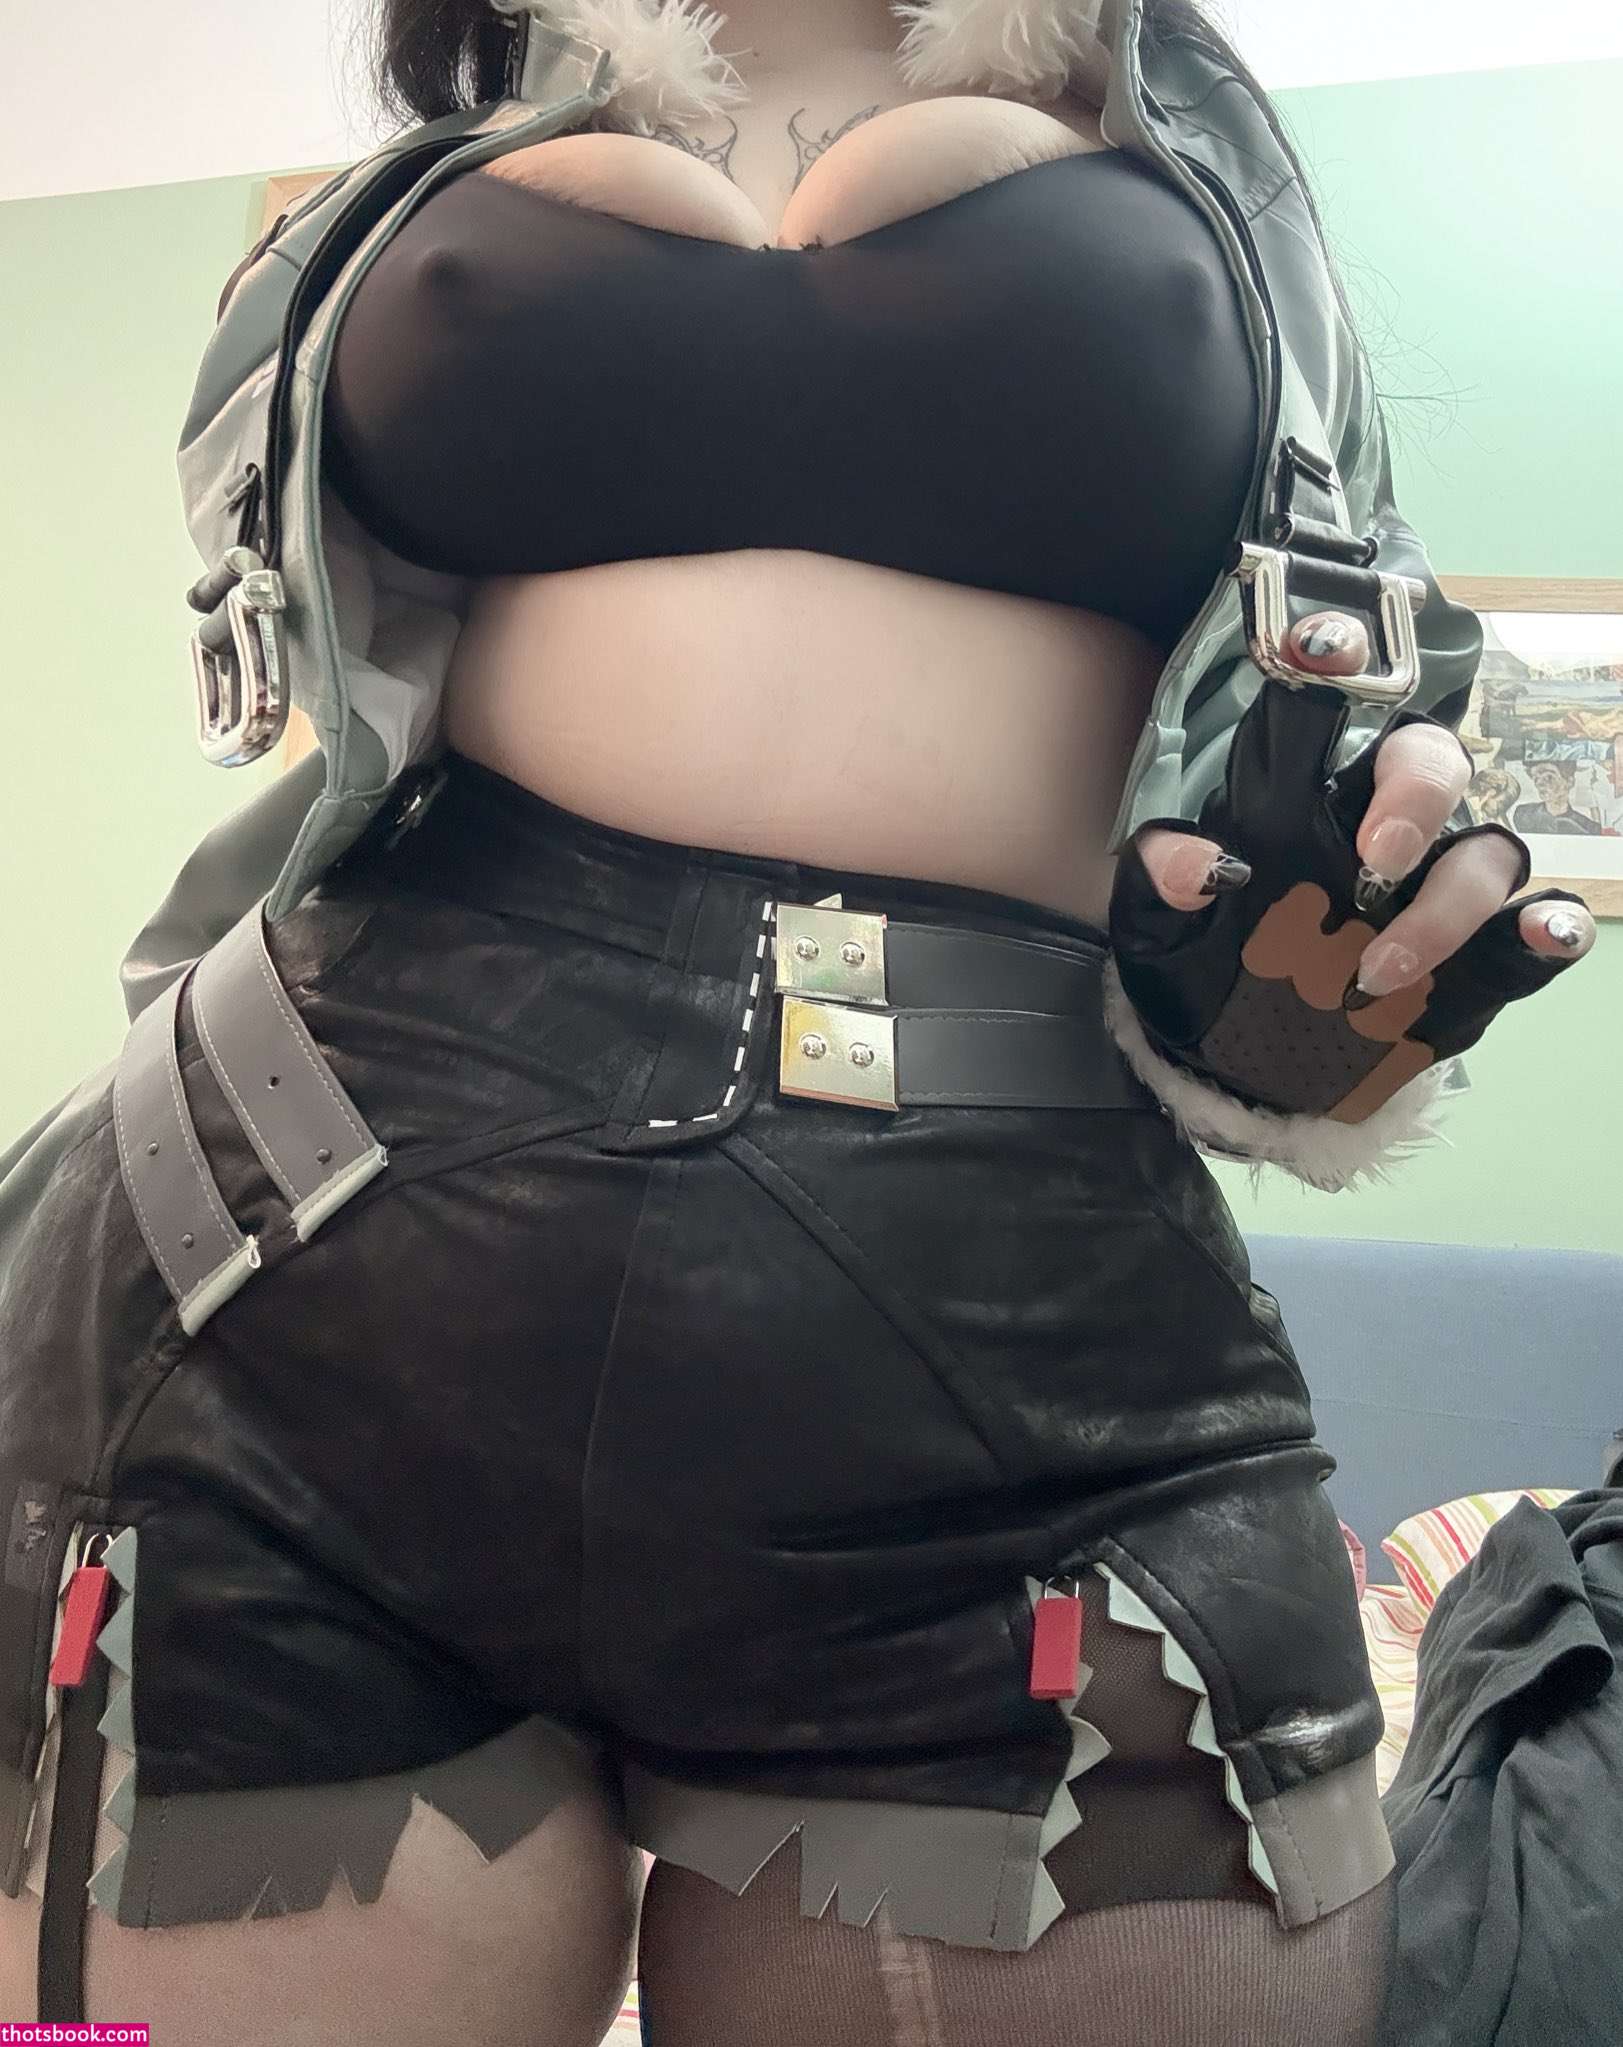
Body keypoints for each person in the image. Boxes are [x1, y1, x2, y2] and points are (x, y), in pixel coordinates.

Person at [0, 3, 1596, 2043]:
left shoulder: (1201, 168)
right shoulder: (451, 150)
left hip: (1016, 1367)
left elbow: (1309, 825)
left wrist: (1316, 1020)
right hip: (270, 1279)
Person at [1513, 756, 1605, 835]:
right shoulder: (1523, 815)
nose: (1539, 784)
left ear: (1569, 782)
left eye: (1548, 777)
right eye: (1536, 778)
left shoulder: (1589, 828)